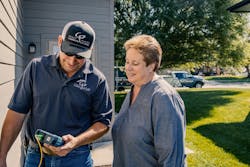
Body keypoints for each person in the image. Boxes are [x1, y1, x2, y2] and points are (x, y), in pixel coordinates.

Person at [0, 21, 113, 167]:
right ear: (60, 41)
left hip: (76, 158)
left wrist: (75, 142)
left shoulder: (97, 80)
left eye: (80, 56)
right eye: (69, 52)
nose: (72, 61)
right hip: (37, 156)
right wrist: (2, 155)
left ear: (90, 49)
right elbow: (17, 112)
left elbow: (103, 123)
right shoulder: (36, 68)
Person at [112, 34, 186, 167]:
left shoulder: (164, 98)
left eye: (135, 63)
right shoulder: (135, 88)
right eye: (127, 61)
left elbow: (172, 159)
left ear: (152, 66)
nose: (128, 68)